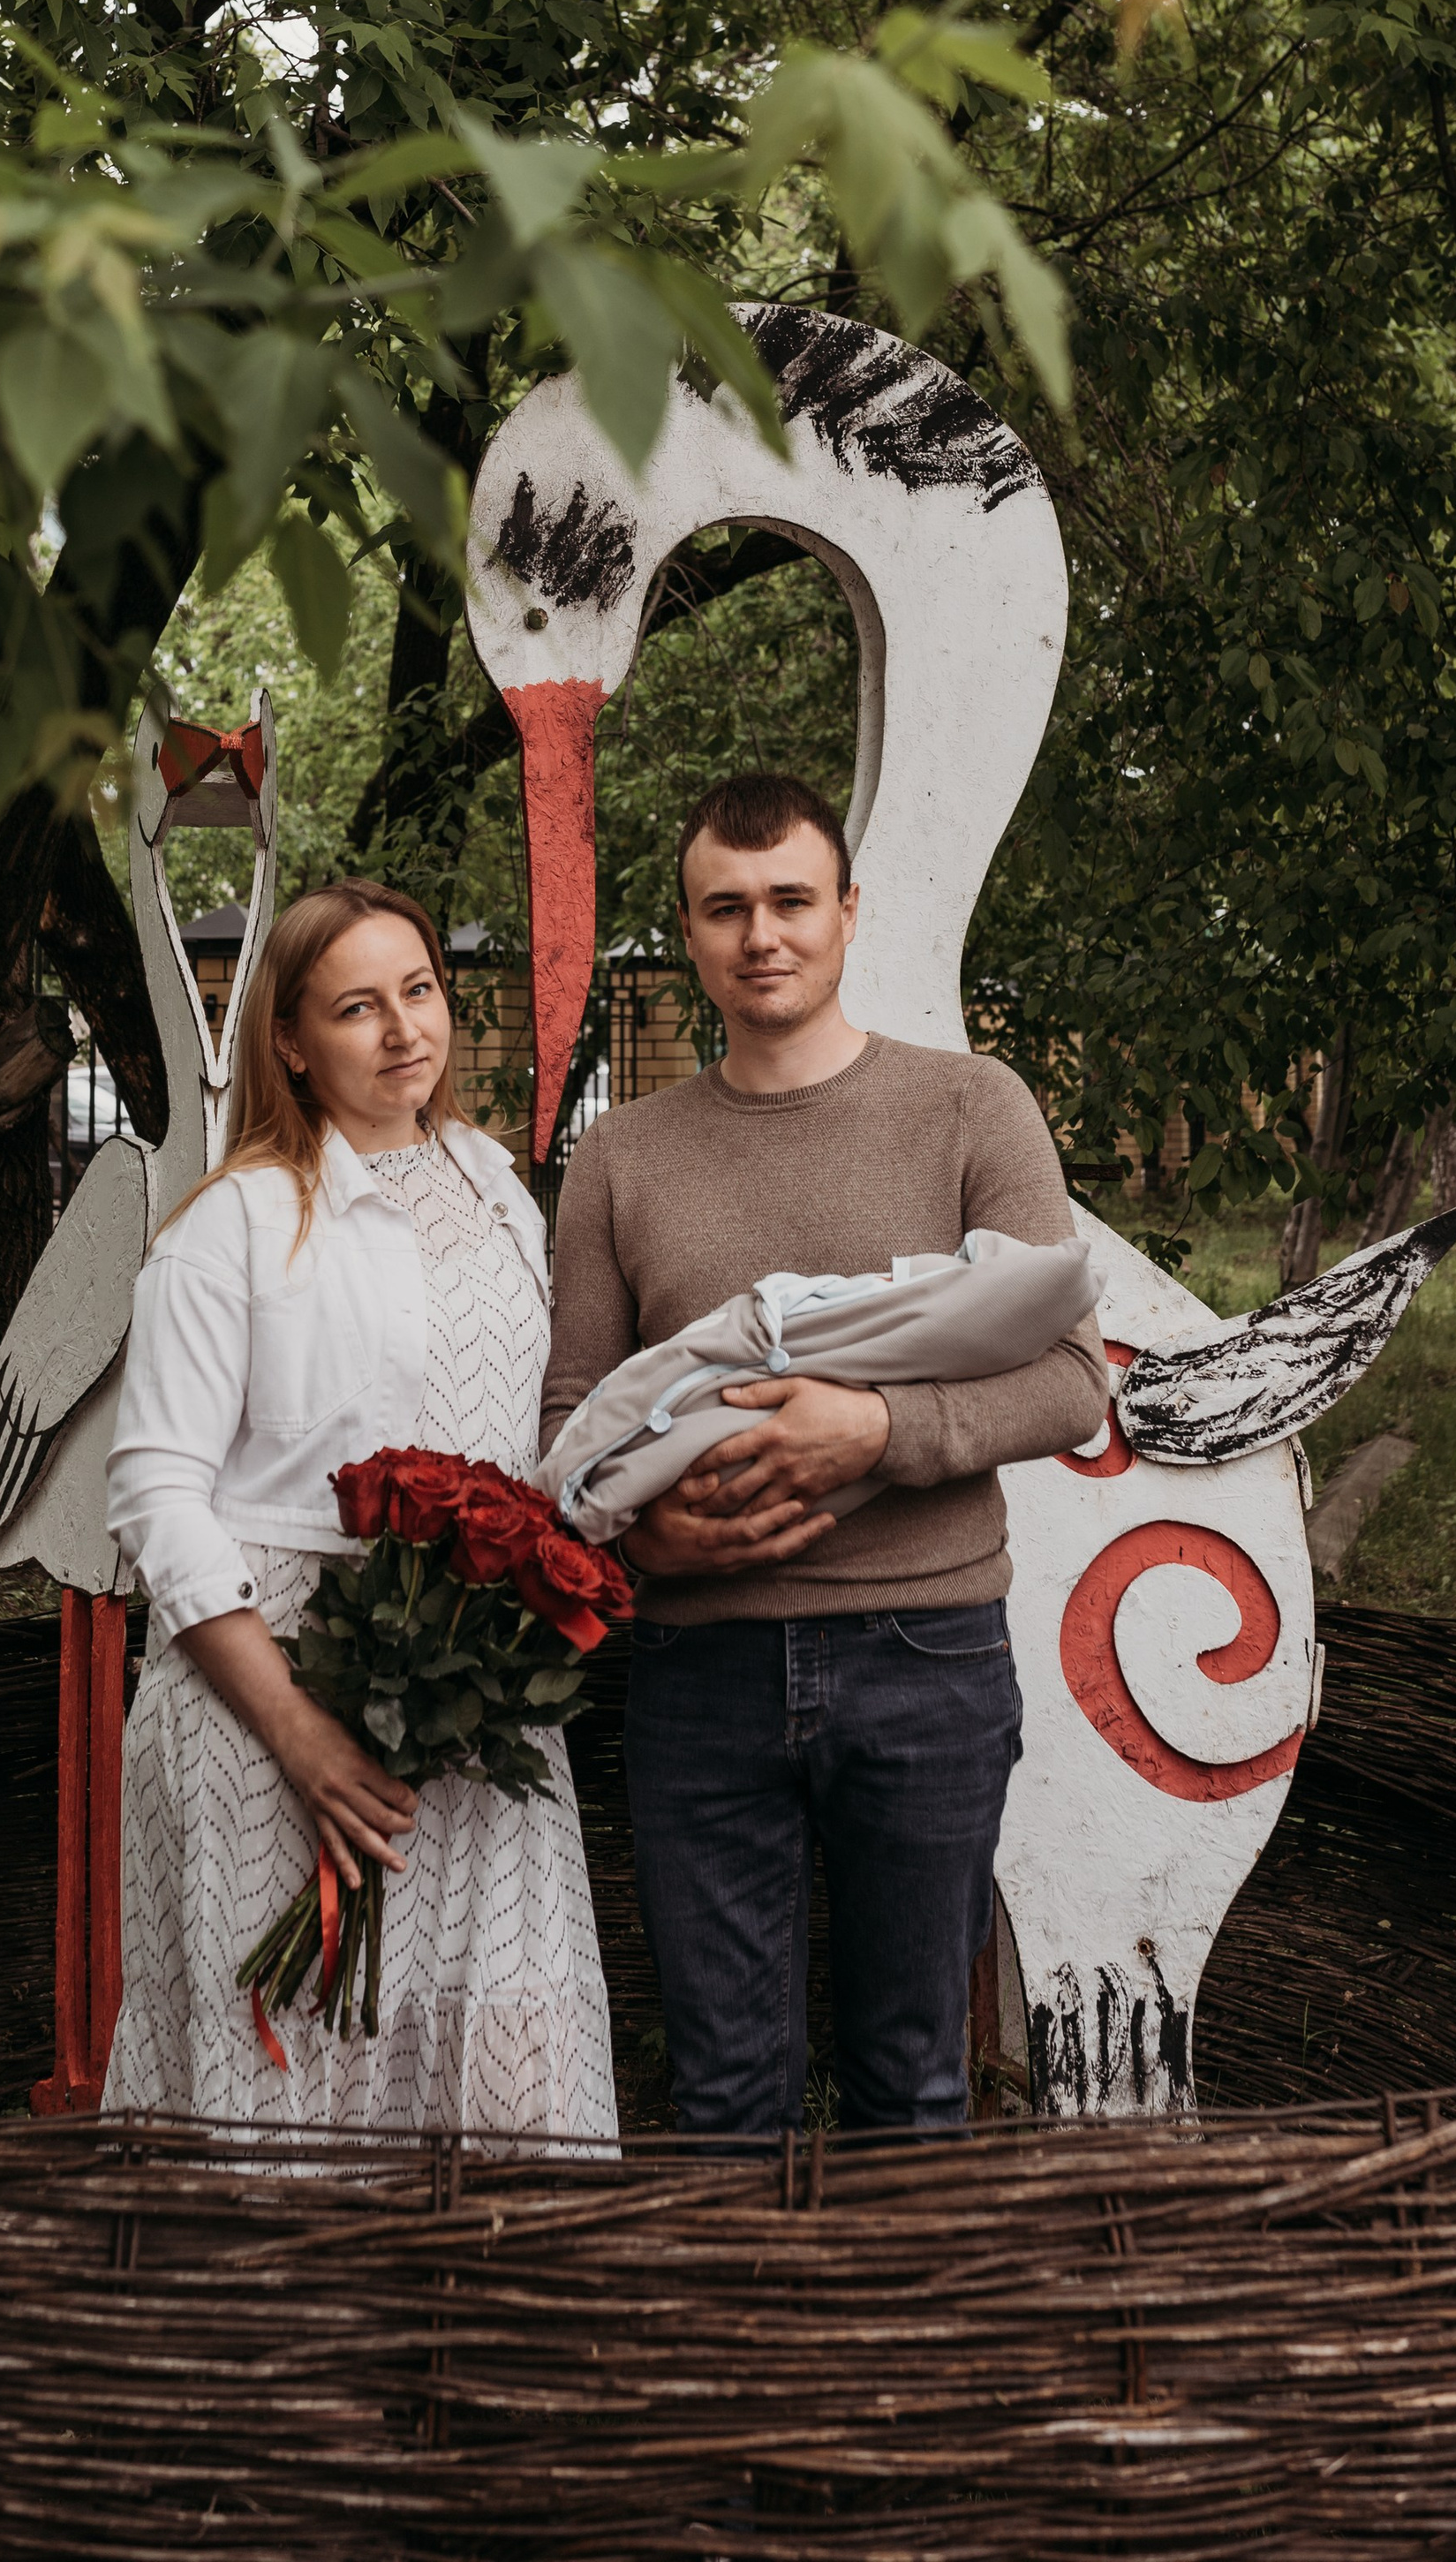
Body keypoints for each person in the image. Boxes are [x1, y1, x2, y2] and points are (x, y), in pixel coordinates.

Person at [540, 773, 1107, 2137]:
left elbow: (1075, 1382)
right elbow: (570, 1423)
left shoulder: (975, 1110)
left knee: (912, 2085)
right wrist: (643, 1544)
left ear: (848, 914)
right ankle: (746, 2358)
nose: (763, 935)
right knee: (723, 2094)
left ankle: (903, 2360)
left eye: (793, 900)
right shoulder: (619, 1158)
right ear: (687, 934)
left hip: (926, 1654)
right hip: (696, 1666)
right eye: (726, 909)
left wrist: (886, 1430)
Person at [103, 877, 617, 2148]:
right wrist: (297, 1729)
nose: (402, 1031)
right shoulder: (235, 1225)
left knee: (495, 2028)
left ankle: (461, 2315)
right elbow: (155, 1493)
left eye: (420, 992)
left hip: (471, 1677)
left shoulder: (500, 1188)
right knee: (292, 2047)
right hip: (269, 1678)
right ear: (290, 1040)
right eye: (355, 1008)